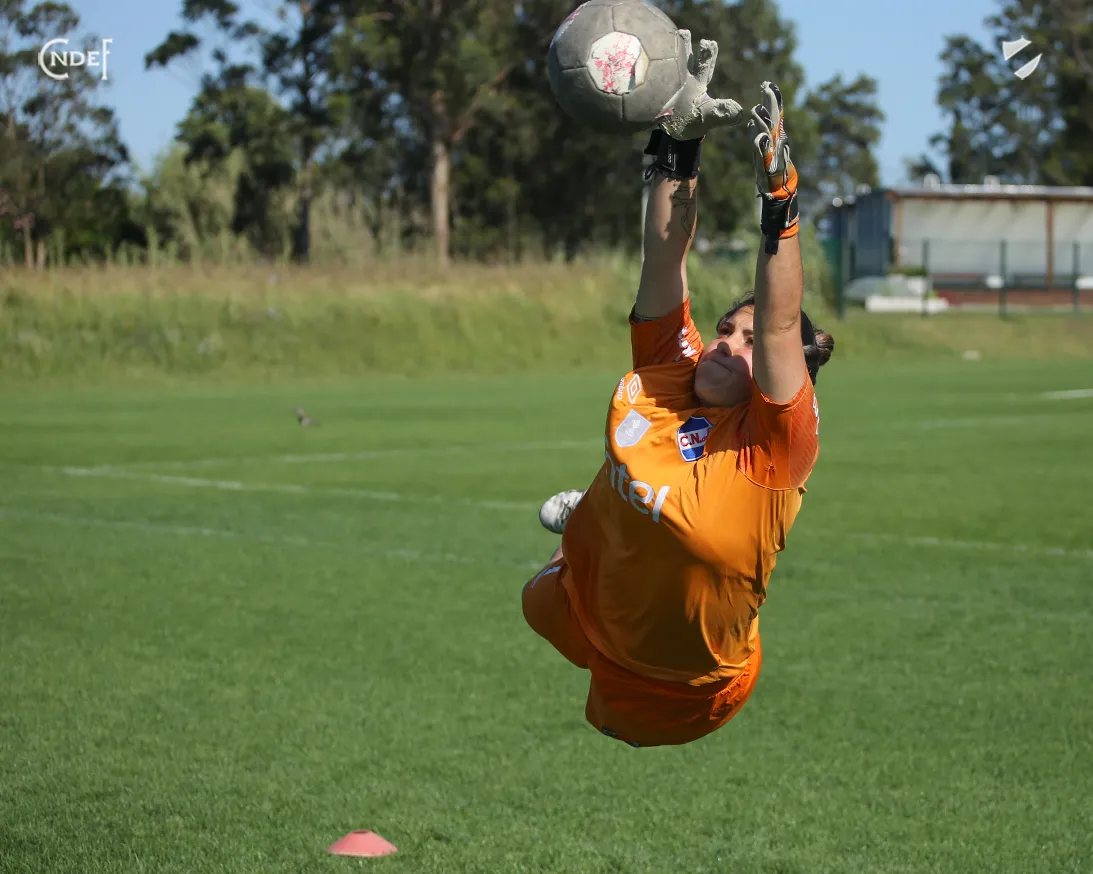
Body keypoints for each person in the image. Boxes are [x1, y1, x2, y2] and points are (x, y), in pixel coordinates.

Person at [521, 79, 835, 748]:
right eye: (726, 329)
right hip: (586, 612)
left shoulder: (774, 447)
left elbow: (781, 324)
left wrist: (780, 199)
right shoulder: (674, 367)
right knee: (534, 599)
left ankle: (599, 513)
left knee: (625, 728)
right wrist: (675, 144)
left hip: (695, 684)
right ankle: (598, 515)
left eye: (750, 342)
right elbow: (664, 255)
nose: (727, 343)